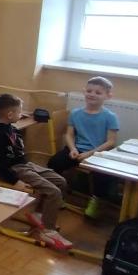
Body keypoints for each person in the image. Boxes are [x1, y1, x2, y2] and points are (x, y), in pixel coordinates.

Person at [0, 94, 73, 251]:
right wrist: (15, 181)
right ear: (10, 115)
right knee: (54, 192)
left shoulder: (8, 125)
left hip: (26, 164)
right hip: (15, 169)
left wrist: (15, 116)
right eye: (19, 112)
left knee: (61, 182)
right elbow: (0, 164)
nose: (21, 114)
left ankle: (39, 214)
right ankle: (48, 231)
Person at [48, 76, 120, 217]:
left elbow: (111, 142)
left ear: (108, 96)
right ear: (84, 91)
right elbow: (69, 135)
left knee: (102, 174)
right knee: (54, 162)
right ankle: (57, 194)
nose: (92, 94)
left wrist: (90, 153)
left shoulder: (110, 116)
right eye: (89, 91)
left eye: (98, 92)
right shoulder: (75, 113)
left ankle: (96, 200)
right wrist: (73, 149)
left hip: (98, 152)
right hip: (77, 150)